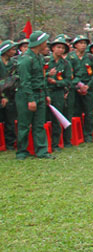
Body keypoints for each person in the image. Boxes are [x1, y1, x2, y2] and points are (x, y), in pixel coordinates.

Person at [17, 31, 53, 159]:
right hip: (26, 96)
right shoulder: (26, 59)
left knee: (39, 124)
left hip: (40, 93)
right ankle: (22, 151)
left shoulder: (39, 57)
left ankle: (42, 151)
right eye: (44, 41)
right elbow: (25, 81)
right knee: (24, 125)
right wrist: (30, 99)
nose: (46, 43)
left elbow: (42, 78)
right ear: (39, 42)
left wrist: (46, 94)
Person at [46, 35, 74, 149]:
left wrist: (56, 82)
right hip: (45, 91)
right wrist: (47, 77)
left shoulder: (66, 64)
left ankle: (56, 143)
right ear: (53, 48)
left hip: (58, 93)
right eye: (58, 47)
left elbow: (68, 80)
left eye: (62, 48)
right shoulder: (45, 61)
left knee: (57, 118)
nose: (60, 50)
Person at [69, 35, 93, 143]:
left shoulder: (90, 57)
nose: (83, 45)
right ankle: (77, 134)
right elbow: (69, 74)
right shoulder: (70, 57)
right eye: (80, 43)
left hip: (88, 88)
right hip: (75, 88)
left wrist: (88, 85)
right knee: (76, 112)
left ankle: (88, 134)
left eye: (84, 43)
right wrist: (77, 87)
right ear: (75, 45)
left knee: (89, 112)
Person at [0, 40, 18, 152]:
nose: (14, 51)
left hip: (10, 96)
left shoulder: (14, 63)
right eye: (12, 49)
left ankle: (10, 143)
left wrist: (6, 96)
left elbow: (13, 80)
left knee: (10, 121)